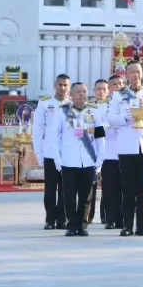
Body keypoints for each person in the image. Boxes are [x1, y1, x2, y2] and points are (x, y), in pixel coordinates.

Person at [107, 61, 143, 236]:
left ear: (142, 74)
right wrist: (124, 117)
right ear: (126, 74)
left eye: (138, 72)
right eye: (132, 72)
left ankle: (141, 225)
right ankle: (127, 225)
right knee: (128, 187)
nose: (135, 75)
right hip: (126, 146)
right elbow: (111, 118)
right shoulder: (118, 96)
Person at [56, 82, 104, 237]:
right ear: (71, 95)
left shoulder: (94, 111)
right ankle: (71, 225)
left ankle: (82, 225)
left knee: (86, 196)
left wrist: (100, 159)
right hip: (69, 160)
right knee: (69, 195)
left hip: (89, 159)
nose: (82, 94)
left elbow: (100, 137)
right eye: (78, 92)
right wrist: (57, 158)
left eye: (84, 91)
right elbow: (55, 137)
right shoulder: (62, 112)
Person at [33, 75, 71, 230]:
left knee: (65, 188)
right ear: (55, 85)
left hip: (67, 153)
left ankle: (62, 219)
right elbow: (37, 129)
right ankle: (50, 219)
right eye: (60, 84)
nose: (63, 88)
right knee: (50, 189)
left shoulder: (72, 104)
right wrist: (38, 152)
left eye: (65, 85)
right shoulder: (45, 103)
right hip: (50, 152)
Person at [98, 74, 125, 229]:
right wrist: (110, 126)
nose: (118, 86)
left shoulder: (128, 103)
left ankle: (121, 219)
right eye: (115, 84)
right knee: (109, 188)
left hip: (125, 151)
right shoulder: (101, 106)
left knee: (124, 187)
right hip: (108, 152)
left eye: (120, 83)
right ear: (109, 88)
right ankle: (109, 219)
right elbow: (96, 128)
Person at [85, 79, 112, 225]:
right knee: (91, 184)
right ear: (94, 90)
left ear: (108, 91)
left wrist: (97, 129)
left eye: (104, 89)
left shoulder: (112, 106)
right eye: (98, 89)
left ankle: (105, 215)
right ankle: (88, 215)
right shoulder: (88, 107)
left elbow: (111, 124)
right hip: (93, 149)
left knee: (107, 184)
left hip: (109, 149)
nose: (101, 92)